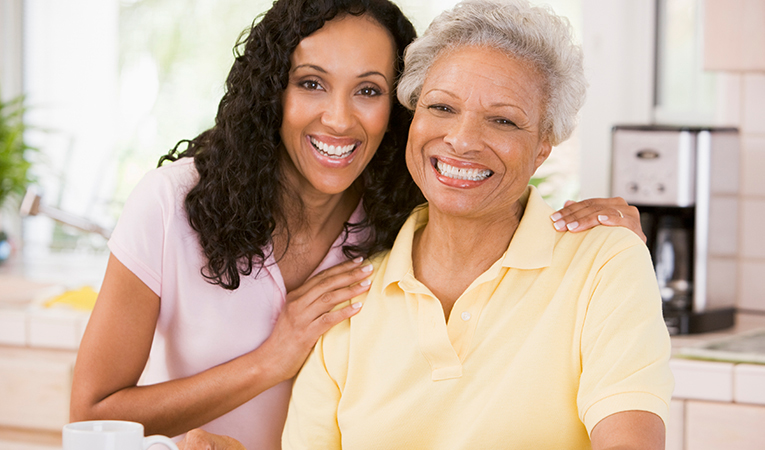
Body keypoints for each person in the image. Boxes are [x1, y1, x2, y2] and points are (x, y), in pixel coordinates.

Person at [69, 0, 645, 449]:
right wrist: (275, 357)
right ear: (274, 90)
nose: (339, 118)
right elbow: (91, 415)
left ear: (398, 107)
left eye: (368, 90)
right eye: (311, 82)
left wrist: (611, 241)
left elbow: (481, 179)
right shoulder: (174, 206)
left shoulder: (395, 216)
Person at [279, 0, 674, 448]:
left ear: (543, 147)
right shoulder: (348, 297)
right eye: (442, 108)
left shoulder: (605, 263)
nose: (463, 140)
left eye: (502, 120)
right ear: (413, 119)